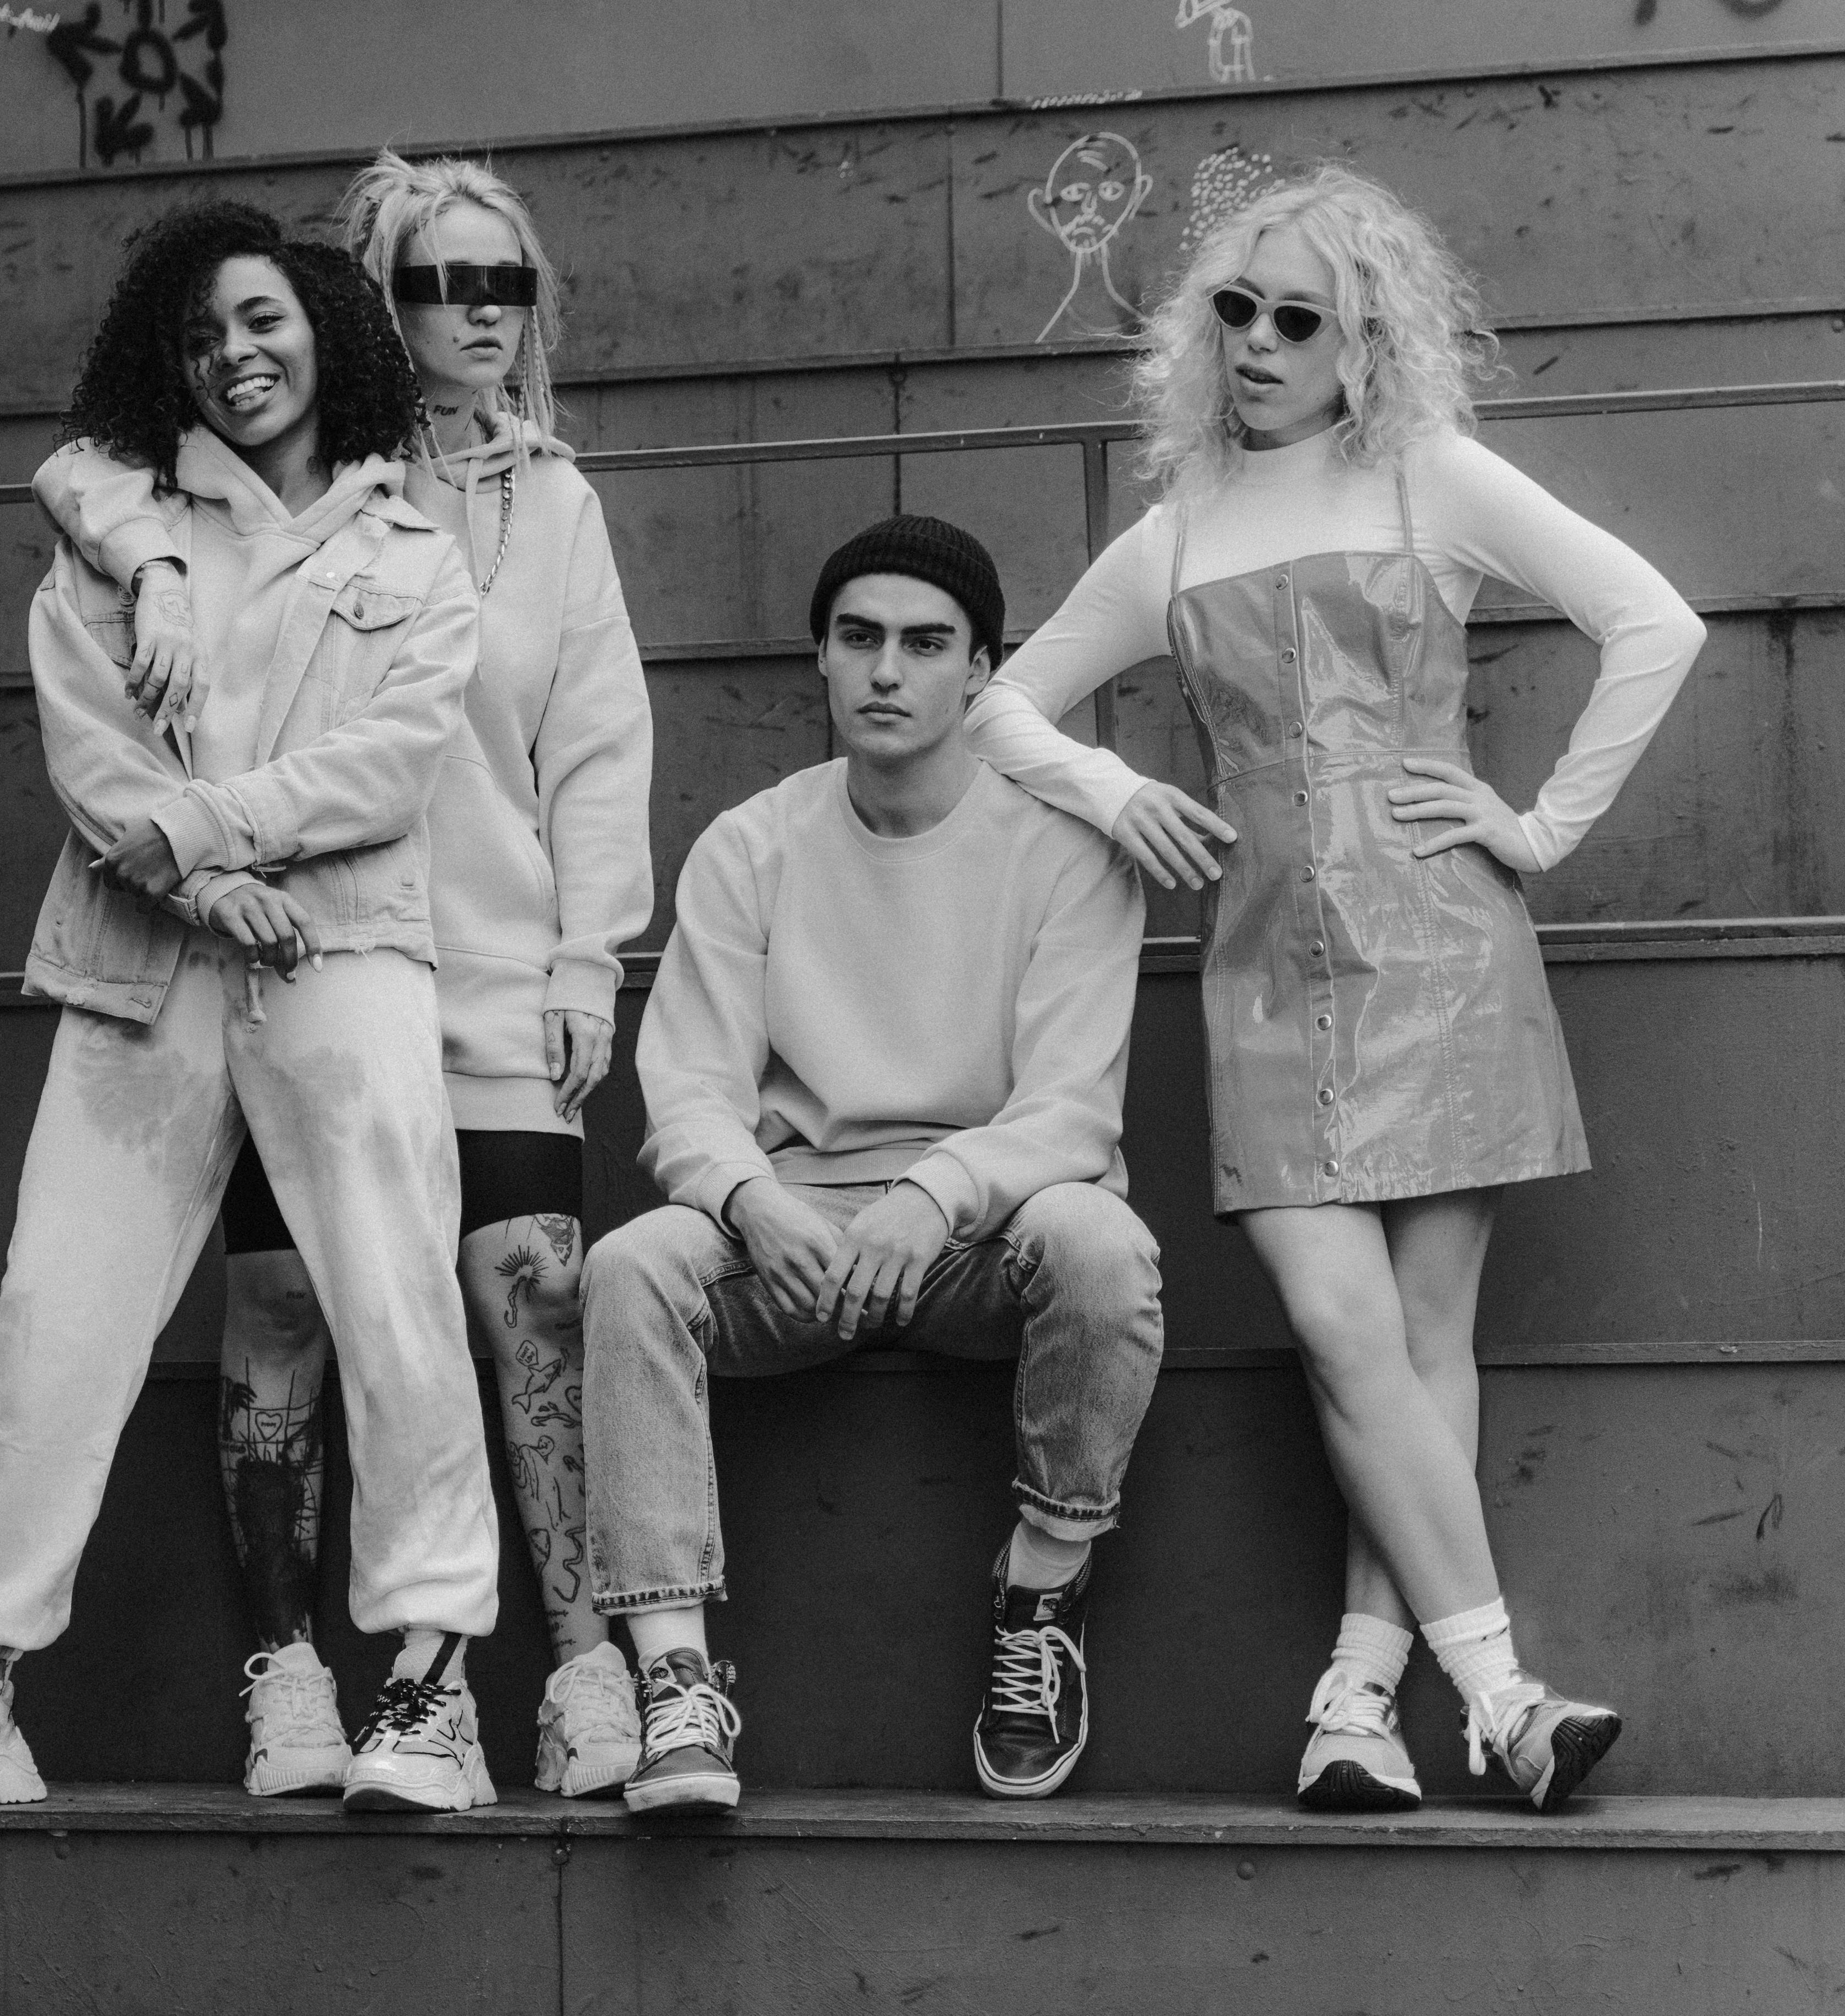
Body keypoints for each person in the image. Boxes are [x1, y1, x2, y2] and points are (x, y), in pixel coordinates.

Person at [969, 164, 1702, 1813]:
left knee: (1417, 1338)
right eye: (1234, 307)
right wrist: (1108, 791)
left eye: (1301, 316)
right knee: (1339, 1324)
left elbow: (1654, 622)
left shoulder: (1430, 477)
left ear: (1364, 342)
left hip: (1446, 945)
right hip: (1261, 965)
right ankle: (1503, 1694)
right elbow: (1008, 704)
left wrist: (1534, 826)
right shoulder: (1170, 528)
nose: (1259, 341)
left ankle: (1355, 1702)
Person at [0, 200, 505, 1816]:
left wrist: (214, 838)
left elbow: (396, 759)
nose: (236, 357)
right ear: (169, 362)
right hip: (144, 964)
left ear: (325, 333)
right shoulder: (108, 538)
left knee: (397, 1298)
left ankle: (432, 1685)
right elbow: (91, 762)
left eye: (263, 322)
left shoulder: (415, 552)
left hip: (339, 948)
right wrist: (196, 882)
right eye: (203, 337)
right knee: (56, 1314)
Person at [33, 152, 655, 1798]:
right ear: (362, 309)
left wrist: (588, 953)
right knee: (287, 1298)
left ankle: (580, 1668)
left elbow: (595, 747)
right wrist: (158, 561)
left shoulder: (553, 503)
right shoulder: (262, 476)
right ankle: (288, 1667)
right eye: (436, 284)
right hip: (294, 953)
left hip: (491, 958)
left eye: (503, 283)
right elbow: (91, 474)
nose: (476, 316)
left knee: (528, 1280)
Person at [582, 516, 1162, 1815]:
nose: (886, 671)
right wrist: (744, 1199)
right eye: (858, 641)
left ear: (978, 672)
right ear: (822, 663)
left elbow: (1070, 1112)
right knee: (630, 1270)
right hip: (790, 1232)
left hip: (973, 1237)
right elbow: (684, 1088)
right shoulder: (753, 843)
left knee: (1101, 1245)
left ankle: (1038, 1591)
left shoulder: (1064, 851)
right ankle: (674, 1688)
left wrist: (933, 1193)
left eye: (922, 643)